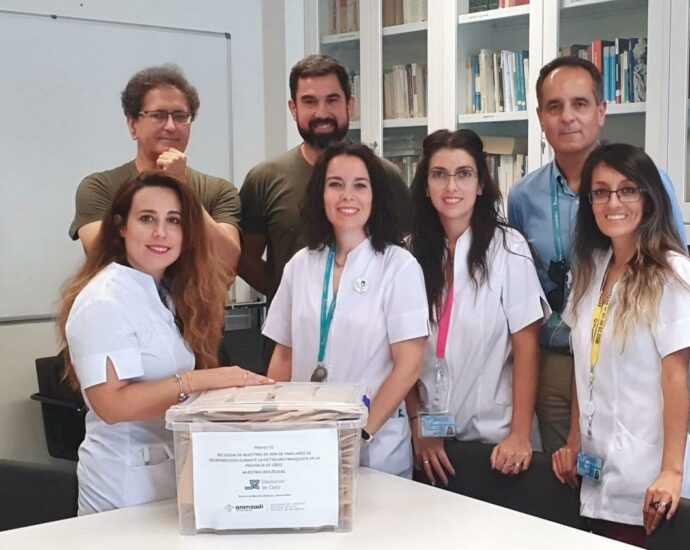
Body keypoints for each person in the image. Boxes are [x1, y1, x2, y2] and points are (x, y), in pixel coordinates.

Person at [59, 171, 271, 515]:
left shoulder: (163, 293)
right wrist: (200, 381)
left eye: (174, 221)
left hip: (169, 474)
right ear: (120, 226)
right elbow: (112, 406)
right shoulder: (104, 299)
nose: (161, 232)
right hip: (124, 487)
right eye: (147, 219)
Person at [507, 56, 687, 454]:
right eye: (554, 107)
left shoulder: (648, 182)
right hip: (556, 356)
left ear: (601, 111)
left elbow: (673, 270)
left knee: (633, 470)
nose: (567, 117)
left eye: (580, 104)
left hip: (630, 356)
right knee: (566, 479)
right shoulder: (523, 196)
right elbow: (521, 284)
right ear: (540, 116)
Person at [262, 142, 428, 478]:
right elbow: (283, 356)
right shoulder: (300, 264)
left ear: (375, 196)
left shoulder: (399, 267)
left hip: (374, 449)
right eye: (335, 184)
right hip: (304, 439)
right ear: (320, 194)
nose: (346, 196)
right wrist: (268, 424)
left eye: (360, 185)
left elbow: (408, 366)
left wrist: (361, 434)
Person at [552, 143, 690, 547]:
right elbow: (585, 366)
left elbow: (677, 376)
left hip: (649, 477)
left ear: (648, 198)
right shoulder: (592, 267)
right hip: (595, 470)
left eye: (628, 189)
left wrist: (671, 472)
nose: (614, 202)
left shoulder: (672, 272)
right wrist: (574, 441)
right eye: (601, 191)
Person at [239, 54, 412, 372]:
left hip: (368, 355)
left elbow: (403, 256)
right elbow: (245, 258)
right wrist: (298, 297)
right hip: (289, 347)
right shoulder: (264, 178)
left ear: (350, 104)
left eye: (332, 100)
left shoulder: (383, 177)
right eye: (309, 101)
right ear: (293, 108)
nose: (321, 113)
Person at [406, 129, 549, 486]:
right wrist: (417, 423)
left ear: (481, 184)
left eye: (464, 174)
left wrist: (519, 434)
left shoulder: (508, 248)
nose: (451, 186)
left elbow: (526, 346)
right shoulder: (407, 254)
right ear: (425, 185)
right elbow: (399, 350)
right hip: (429, 439)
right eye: (439, 174)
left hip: (494, 438)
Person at [69, 64, 241, 285]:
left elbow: (227, 265)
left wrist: (182, 185)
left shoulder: (218, 190)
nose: (170, 126)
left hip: (199, 318)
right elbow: (108, 260)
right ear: (133, 125)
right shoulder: (99, 188)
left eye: (180, 116)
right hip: (126, 315)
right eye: (158, 115)